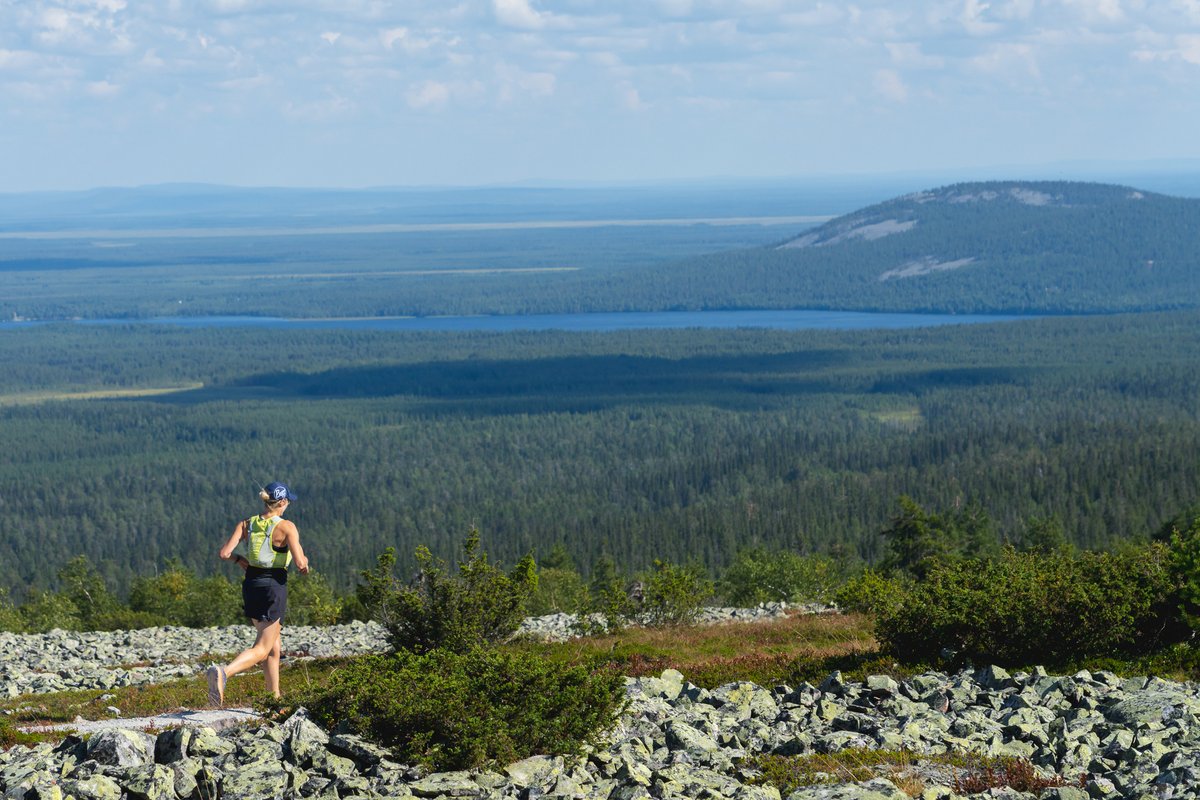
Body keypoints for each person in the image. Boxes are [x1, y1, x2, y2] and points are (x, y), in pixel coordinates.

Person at [206, 481, 309, 706]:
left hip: (251, 584)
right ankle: (224, 672)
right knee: (262, 648)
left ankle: (274, 699)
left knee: (274, 646)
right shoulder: (287, 527)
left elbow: (224, 553)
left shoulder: (246, 524)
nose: (288, 504)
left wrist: (239, 560)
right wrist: (305, 563)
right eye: (288, 501)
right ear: (281, 502)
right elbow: (300, 563)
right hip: (273, 586)